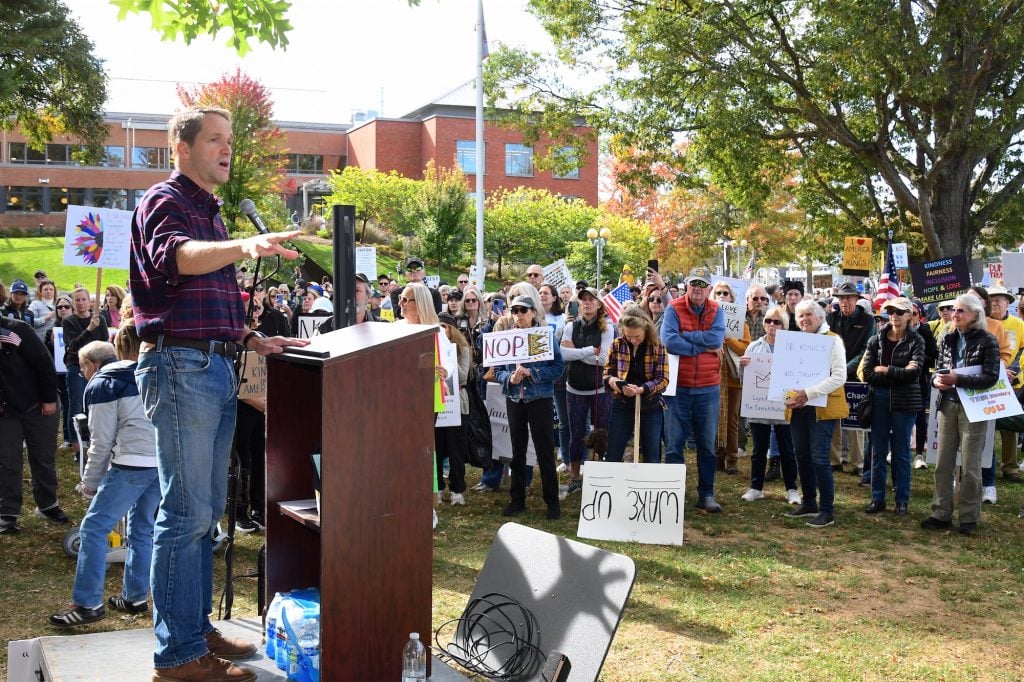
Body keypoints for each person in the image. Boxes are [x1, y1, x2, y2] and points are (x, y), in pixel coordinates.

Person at [130, 106, 307, 682]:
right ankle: (178, 657)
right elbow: (179, 260)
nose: (227, 149)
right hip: (180, 366)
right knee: (185, 515)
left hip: (211, 364)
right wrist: (247, 247)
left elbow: (210, 299)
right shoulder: (166, 201)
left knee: (204, 515)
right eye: (214, 139)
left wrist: (255, 338)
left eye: (230, 140)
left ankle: (193, 629)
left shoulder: (211, 213)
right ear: (181, 147)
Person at [48, 334, 160, 627]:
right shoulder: (138, 372)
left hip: (131, 463)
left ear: (89, 364)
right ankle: (135, 596)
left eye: (82, 368)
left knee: (94, 528)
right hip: (159, 461)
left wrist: (90, 483)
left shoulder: (101, 385)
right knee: (142, 529)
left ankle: (87, 603)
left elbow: (100, 442)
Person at [922, 294, 1000, 535]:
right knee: (942, 462)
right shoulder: (947, 338)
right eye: (953, 310)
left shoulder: (988, 340)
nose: (954, 315)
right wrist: (937, 381)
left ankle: (968, 518)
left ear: (975, 315)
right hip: (948, 405)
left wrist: (959, 379)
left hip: (973, 408)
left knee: (971, 465)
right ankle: (940, 513)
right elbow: (940, 370)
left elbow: (991, 377)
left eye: (960, 311)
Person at [493, 295, 565, 519]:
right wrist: (509, 378)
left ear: (533, 312)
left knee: (545, 451)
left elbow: (558, 367)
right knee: (517, 451)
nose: (519, 315)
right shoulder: (506, 338)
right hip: (515, 399)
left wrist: (532, 373)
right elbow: (497, 370)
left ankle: (552, 502)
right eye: (514, 311)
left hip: (539, 399)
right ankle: (517, 500)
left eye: (523, 310)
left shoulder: (543, 337)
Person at [661, 267, 726, 512]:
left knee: (706, 445)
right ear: (687, 285)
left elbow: (716, 340)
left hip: (708, 388)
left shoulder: (716, 309)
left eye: (703, 284)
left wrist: (688, 336)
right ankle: (672, 495)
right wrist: (699, 345)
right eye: (693, 283)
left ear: (709, 289)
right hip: (677, 387)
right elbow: (670, 341)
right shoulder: (673, 308)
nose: (698, 288)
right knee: (674, 445)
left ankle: (706, 494)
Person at [0, 313, 68, 535]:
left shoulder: (17, 329)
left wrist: (48, 399)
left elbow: (44, 363)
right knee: (7, 461)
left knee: (42, 457)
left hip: (38, 403)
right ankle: (7, 514)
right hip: (6, 410)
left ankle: (47, 505)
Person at [784, 300, 849, 529]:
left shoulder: (833, 341)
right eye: (800, 315)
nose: (803, 319)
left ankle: (827, 510)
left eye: (808, 315)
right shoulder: (794, 340)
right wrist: (790, 396)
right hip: (799, 407)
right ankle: (809, 502)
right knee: (801, 453)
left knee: (819, 457)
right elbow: (786, 373)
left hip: (823, 407)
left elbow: (839, 376)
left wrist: (808, 393)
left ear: (820, 317)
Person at [861, 297, 925, 516]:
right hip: (878, 398)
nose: (894, 316)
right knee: (878, 451)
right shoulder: (876, 339)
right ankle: (877, 498)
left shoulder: (917, 340)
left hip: (905, 400)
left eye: (899, 312)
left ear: (909, 315)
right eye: (891, 311)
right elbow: (868, 373)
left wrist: (886, 370)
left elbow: (914, 373)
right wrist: (896, 373)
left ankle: (902, 500)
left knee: (901, 452)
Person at [738, 306, 801, 504]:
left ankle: (792, 489)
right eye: (768, 321)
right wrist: (743, 367)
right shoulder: (754, 347)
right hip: (759, 406)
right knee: (759, 449)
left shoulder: (793, 346)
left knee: (787, 449)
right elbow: (744, 380)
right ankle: (756, 487)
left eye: (776, 321)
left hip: (784, 406)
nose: (771, 325)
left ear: (784, 324)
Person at [561, 286, 614, 496]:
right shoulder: (570, 327)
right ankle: (575, 478)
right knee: (576, 434)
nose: (587, 303)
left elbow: (604, 359)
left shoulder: (607, 329)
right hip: (574, 388)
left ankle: (598, 477)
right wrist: (589, 351)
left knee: (601, 432)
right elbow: (564, 354)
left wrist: (576, 351)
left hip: (599, 389)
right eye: (583, 299)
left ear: (599, 304)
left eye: (592, 299)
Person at [603, 311, 669, 463]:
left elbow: (663, 379)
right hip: (622, 404)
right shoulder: (616, 344)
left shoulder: (658, 346)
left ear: (646, 330)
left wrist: (642, 389)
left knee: (652, 455)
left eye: (637, 336)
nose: (633, 340)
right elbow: (606, 374)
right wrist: (615, 383)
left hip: (650, 406)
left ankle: (649, 485)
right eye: (628, 335)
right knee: (613, 453)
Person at [825, 282, 872, 476]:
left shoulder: (867, 320)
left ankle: (858, 463)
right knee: (834, 417)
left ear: (856, 299)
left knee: (856, 419)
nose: (845, 302)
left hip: (855, 376)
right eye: (842, 298)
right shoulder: (831, 318)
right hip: (833, 376)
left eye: (849, 298)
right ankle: (835, 460)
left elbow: (866, 350)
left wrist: (844, 369)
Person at [61, 287, 109, 456]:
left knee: (97, 403)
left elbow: (105, 342)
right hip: (77, 365)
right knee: (76, 405)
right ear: (73, 303)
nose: (80, 303)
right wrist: (89, 329)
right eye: (77, 300)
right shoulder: (69, 322)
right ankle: (77, 448)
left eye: (83, 299)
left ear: (90, 302)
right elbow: (73, 346)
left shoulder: (100, 319)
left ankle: (96, 442)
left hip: (97, 366)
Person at [711, 282, 751, 475]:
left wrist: (728, 338)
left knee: (732, 419)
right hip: (712, 377)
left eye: (725, 293)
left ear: (731, 298)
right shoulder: (707, 320)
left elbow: (746, 348)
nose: (721, 296)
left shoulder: (740, 322)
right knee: (714, 417)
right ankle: (717, 455)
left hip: (734, 378)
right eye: (718, 293)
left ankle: (732, 458)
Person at [986, 285, 1024, 483]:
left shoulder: (1019, 325)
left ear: (1008, 303)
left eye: (999, 299)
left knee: (1010, 424)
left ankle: (1010, 467)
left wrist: (1011, 372)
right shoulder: (984, 324)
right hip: (988, 380)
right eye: (991, 299)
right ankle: (986, 463)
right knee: (987, 423)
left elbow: (1020, 351)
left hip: (1013, 381)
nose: (995, 303)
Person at [435, 313, 472, 505]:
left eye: (444, 326)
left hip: (457, 404)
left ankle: (457, 489)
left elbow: (464, 376)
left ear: (452, 329)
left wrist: (448, 356)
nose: (441, 330)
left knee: (456, 449)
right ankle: (438, 487)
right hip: (437, 404)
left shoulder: (462, 349)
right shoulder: (430, 349)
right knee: (437, 449)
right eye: (437, 327)